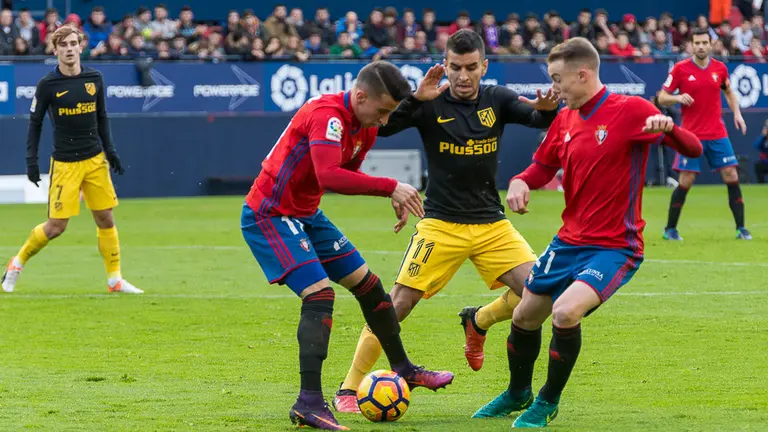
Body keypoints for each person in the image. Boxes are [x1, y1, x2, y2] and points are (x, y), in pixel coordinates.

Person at [473, 37, 702, 427]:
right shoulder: (564, 118)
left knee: (564, 312)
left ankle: (547, 401)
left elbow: (694, 149)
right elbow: (542, 167)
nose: (554, 88)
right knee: (525, 315)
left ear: (583, 74)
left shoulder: (631, 111)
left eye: (558, 79)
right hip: (568, 240)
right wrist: (519, 180)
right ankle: (517, 393)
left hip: (615, 246)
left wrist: (671, 130)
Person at [332, 28, 560, 414]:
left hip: (491, 224)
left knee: (542, 294)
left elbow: (536, 118)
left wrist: (548, 108)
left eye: (472, 67)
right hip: (439, 224)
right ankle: (348, 389)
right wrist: (414, 100)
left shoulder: (497, 99)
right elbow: (378, 125)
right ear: (445, 66)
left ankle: (480, 321)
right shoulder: (428, 103)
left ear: (484, 66)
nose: (464, 76)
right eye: (456, 67)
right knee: (396, 304)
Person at [241, 60, 454, 431]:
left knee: (369, 287)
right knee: (319, 296)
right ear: (359, 96)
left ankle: (404, 368)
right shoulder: (328, 115)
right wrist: (391, 186)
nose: (385, 121)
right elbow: (329, 175)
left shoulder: (365, 126)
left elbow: (348, 173)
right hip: (270, 213)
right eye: (383, 111)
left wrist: (393, 195)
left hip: (306, 213)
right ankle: (308, 402)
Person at [2, 25, 141, 295]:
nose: (69, 49)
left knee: (106, 219)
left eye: (73, 43)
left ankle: (115, 280)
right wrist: (31, 161)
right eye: (63, 45)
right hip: (65, 163)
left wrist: (110, 151)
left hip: (95, 160)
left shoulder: (95, 78)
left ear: (81, 46)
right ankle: (16, 264)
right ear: (55, 50)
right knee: (56, 227)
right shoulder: (47, 85)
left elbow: (101, 117)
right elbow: (35, 124)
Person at [659, 28, 752, 240]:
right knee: (686, 180)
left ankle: (741, 229)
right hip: (691, 135)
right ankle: (670, 229)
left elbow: (728, 90)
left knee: (732, 175)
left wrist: (737, 114)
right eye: (697, 43)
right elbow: (662, 97)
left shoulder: (719, 68)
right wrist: (678, 98)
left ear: (710, 44)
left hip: (717, 132)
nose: (701, 46)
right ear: (691, 45)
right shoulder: (681, 69)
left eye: (704, 43)